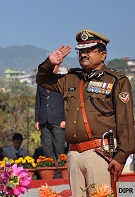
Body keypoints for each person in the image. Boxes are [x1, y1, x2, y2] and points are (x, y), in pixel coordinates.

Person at [36, 29, 135, 196]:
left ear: (103, 55)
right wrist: (49, 63)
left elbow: (125, 121)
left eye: (89, 50)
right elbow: (42, 81)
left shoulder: (115, 80)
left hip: (100, 153)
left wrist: (121, 156)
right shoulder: (71, 78)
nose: (83, 54)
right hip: (74, 154)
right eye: (81, 51)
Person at [35, 65, 66, 178]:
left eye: (54, 67)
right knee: (47, 147)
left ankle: (60, 171)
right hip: (44, 119)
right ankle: (52, 171)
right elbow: (38, 101)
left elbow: (66, 102)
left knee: (59, 147)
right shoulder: (41, 83)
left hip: (58, 119)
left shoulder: (61, 81)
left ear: (58, 68)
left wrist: (64, 119)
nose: (52, 69)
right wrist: (37, 119)